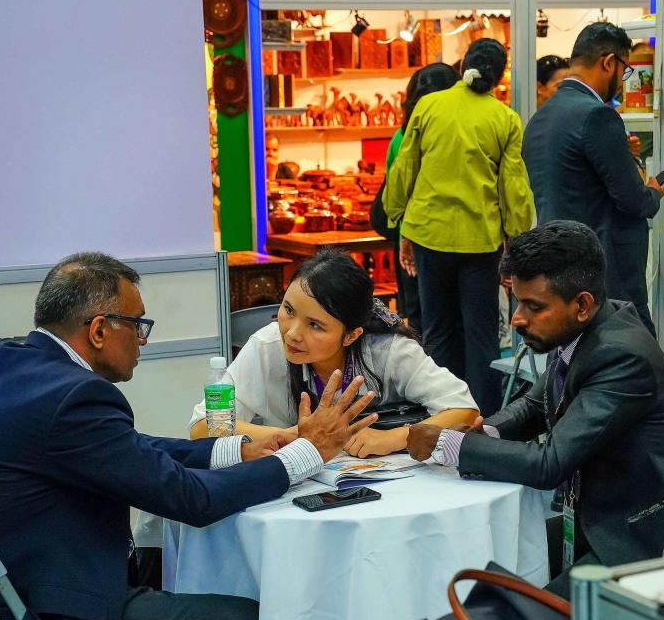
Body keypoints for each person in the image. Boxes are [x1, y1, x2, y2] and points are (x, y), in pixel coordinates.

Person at [0, 252, 379, 620]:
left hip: (1, 603)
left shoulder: (15, 364)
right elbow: (191, 500)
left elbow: (132, 450)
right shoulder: (74, 397)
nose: (143, 340)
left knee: (184, 595)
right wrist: (306, 453)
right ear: (99, 330)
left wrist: (235, 450)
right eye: (137, 325)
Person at [407, 222, 664, 597]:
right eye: (517, 301)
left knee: (513, 604)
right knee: (486, 556)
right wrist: (486, 431)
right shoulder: (586, 329)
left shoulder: (622, 355)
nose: (517, 318)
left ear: (582, 304)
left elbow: (549, 464)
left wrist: (449, 444)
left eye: (534, 306)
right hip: (605, 515)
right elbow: (535, 404)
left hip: (652, 537)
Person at [190, 250, 479, 458]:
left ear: (351, 335)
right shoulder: (266, 347)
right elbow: (203, 426)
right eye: (288, 310)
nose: (292, 333)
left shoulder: (387, 349)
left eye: (315, 325)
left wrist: (394, 437)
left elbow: (463, 409)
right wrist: (295, 435)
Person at [385, 38, 535, 414]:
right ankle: (483, 417)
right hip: (479, 241)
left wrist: (397, 214)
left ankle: (441, 413)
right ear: (500, 76)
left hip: (429, 235)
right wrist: (516, 239)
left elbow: (406, 167)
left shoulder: (429, 106)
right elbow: (513, 186)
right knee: (481, 334)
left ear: (463, 64)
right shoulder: (504, 118)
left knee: (437, 331)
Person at [522, 22, 664, 335]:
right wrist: (653, 191)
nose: (622, 83)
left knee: (573, 355)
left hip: (560, 268)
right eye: (624, 70)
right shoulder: (597, 115)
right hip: (606, 272)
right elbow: (633, 201)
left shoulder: (539, 119)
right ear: (609, 62)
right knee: (630, 354)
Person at [384, 62, 460, 335]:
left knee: (422, 324)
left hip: (414, 239)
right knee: (453, 324)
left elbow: (394, 195)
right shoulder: (455, 135)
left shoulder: (401, 137)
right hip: (454, 240)